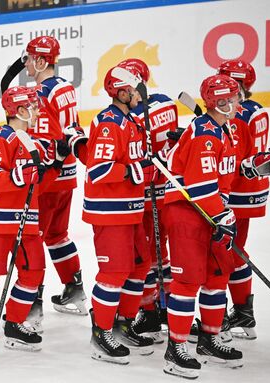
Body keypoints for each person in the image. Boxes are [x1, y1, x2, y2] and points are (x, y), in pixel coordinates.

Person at [0, 86, 67, 361]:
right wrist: (21, 174)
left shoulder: (34, 143)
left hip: (26, 221)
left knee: (34, 273)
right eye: (32, 105)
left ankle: (14, 324)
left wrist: (56, 165)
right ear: (19, 110)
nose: (38, 109)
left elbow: (37, 186)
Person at [161, 74, 245, 378]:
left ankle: (209, 338)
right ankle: (176, 348)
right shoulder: (206, 134)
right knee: (188, 281)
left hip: (210, 211)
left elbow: (221, 174)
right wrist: (223, 216)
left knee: (217, 274)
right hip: (188, 213)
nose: (237, 102)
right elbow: (199, 186)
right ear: (221, 102)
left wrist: (221, 214)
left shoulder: (224, 129)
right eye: (233, 98)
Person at [84, 64, 156, 364]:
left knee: (140, 266)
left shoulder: (131, 120)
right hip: (110, 213)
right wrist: (138, 170)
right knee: (113, 274)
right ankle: (101, 333)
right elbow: (98, 170)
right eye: (136, 88)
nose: (141, 93)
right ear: (122, 92)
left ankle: (124, 322)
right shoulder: (108, 123)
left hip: (132, 210)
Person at [22, 36, 87, 319]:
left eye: (28, 58)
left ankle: (31, 303)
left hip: (49, 176)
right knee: (58, 235)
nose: (25, 63)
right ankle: (74, 288)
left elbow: (43, 137)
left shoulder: (40, 93)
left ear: (40, 60)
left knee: (33, 237)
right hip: (68, 172)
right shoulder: (66, 87)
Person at [122, 58, 178, 341]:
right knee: (162, 252)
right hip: (166, 192)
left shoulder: (131, 117)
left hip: (143, 195)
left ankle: (150, 309)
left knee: (144, 256)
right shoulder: (167, 103)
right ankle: (167, 305)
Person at [218, 60, 270, 340]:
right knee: (234, 250)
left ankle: (239, 314)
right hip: (252, 190)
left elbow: (231, 157)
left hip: (237, 191)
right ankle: (242, 313)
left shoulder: (239, 114)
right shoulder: (257, 110)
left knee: (229, 253)